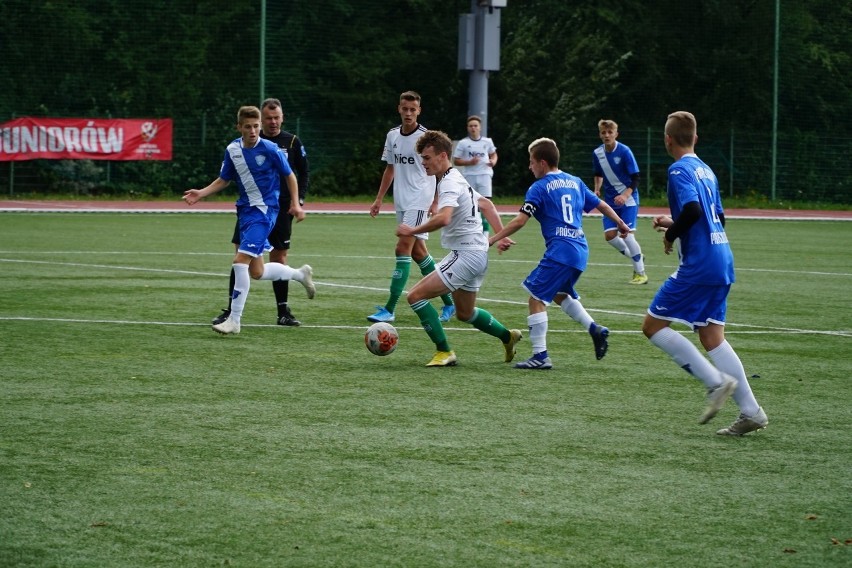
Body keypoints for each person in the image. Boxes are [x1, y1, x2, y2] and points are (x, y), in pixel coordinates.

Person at [642, 111, 768, 435]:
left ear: (667, 140)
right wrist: (674, 224)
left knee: (653, 326)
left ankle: (714, 384)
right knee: (712, 337)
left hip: (700, 264)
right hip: (722, 255)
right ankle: (752, 411)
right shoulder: (706, 169)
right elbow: (716, 218)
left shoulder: (678, 169)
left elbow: (694, 210)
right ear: (695, 138)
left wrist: (671, 235)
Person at [488, 137, 630, 369]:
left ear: (542, 163)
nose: (529, 167)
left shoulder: (539, 187)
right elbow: (601, 205)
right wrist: (620, 223)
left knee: (535, 297)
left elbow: (520, 220)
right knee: (559, 294)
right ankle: (595, 329)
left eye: (531, 162)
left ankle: (540, 356)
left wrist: (494, 238)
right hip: (580, 251)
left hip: (560, 252)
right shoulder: (574, 181)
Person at [183, 105, 315, 335]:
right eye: (248, 127)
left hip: (265, 212)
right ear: (239, 127)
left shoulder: (272, 149)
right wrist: (201, 193)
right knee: (257, 272)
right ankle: (299, 274)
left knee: (239, 260)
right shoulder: (233, 149)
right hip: (245, 211)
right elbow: (224, 179)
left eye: (256, 126)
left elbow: (290, 175)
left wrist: (295, 203)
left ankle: (234, 320)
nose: (253, 131)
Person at [396, 129, 522, 367]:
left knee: (415, 297)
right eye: (422, 158)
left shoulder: (449, 183)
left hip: (466, 255)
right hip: (477, 255)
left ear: (443, 156)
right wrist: (499, 234)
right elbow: (485, 203)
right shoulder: (456, 177)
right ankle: (508, 336)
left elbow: (444, 218)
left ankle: (444, 351)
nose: (423, 163)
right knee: (464, 313)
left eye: (427, 157)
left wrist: (411, 230)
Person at [368, 91, 455, 324]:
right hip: (401, 200)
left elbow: (439, 169)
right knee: (419, 253)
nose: (408, 113)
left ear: (419, 111)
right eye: (405, 109)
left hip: (420, 199)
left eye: (412, 109)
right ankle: (450, 303)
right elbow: (390, 169)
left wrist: (436, 200)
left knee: (402, 248)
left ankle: (390, 308)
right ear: (399, 109)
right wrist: (379, 199)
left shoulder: (427, 138)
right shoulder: (392, 136)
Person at [593, 119, 648, 284]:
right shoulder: (597, 153)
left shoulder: (625, 151)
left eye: (610, 132)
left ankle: (641, 274)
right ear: (600, 134)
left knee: (627, 235)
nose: (607, 135)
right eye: (604, 132)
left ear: (616, 134)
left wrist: (625, 195)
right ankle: (637, 256)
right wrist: (597, 189)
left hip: (628, 199)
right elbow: (598, 173)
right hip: (610, 202)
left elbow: (636, 178)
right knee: (610, 236)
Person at [452, 115, 498, 233]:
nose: (473, 128)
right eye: (471, 126)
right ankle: (472, 231)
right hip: (470, 176)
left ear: (480, 127)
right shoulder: (463, 143)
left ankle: (485, 233)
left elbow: (494, 154)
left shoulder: (487, 141)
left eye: (475, 126)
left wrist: (493, 161)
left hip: (485, 175)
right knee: (471, 204)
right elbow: (456, 160)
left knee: (485, 203)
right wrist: (469, 162)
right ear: (467, 128)